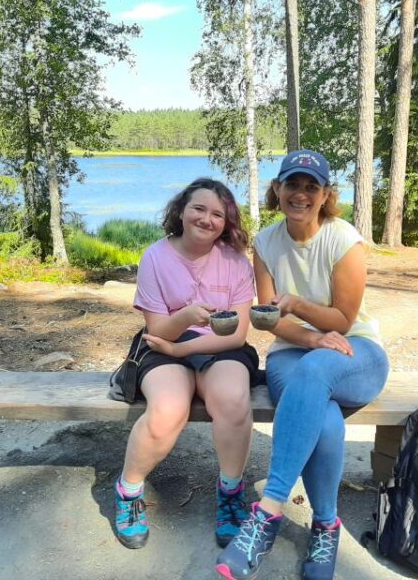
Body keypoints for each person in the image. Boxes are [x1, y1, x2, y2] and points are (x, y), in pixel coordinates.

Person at [216, 150, 389, 580]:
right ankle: (326, 526)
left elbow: (344, 321)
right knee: (324, 417)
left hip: (357, 353)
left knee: (316, 372)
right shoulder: (266, 243)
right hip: (291, 353)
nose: (301, 194)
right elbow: (270, 320)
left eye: (312, 187)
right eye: (292, 184)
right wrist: (310, 336)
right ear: (278, 189)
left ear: (326, 194)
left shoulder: (343, 239)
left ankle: (268, 509)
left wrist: (298, 306)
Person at [115, 178, 259, 551]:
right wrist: (186, 318)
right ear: (181, 210)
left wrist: (187, 352)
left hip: (222, 345)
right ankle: (129, 491)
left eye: (217, 214)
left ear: (226, 223)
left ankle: (230, 495)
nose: (207, 219)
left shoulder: (235, 262)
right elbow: (158, 328)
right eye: (199, 208)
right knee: (167, 409)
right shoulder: (155, 257)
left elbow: (237, 335)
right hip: (164, 341)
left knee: (232, 401)